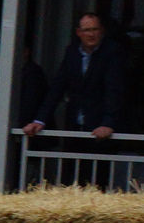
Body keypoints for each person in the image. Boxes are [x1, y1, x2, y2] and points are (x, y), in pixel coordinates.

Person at [24, 13, 126, 142]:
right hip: (74, 126)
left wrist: (108, 123)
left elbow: (114, 90)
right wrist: (39, 120)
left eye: (95, 29)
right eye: (87, 30)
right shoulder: (72, 52)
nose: (91, 34)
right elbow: (57, 88)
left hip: (101, 129)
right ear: (78, 32)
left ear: (102, 31)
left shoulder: (112, 52)